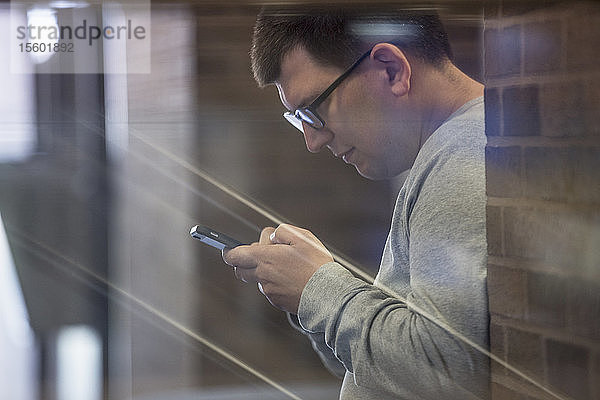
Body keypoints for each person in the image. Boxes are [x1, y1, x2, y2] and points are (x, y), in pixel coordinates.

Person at [223, 5, 489, 399]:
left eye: (313, 110)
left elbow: (443, 374)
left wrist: (319, 288)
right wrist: (308, 289)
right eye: (298, 118)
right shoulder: (451, 150)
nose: (313, 141)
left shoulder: (464, 158)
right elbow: (389, 366)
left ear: (391, 70)